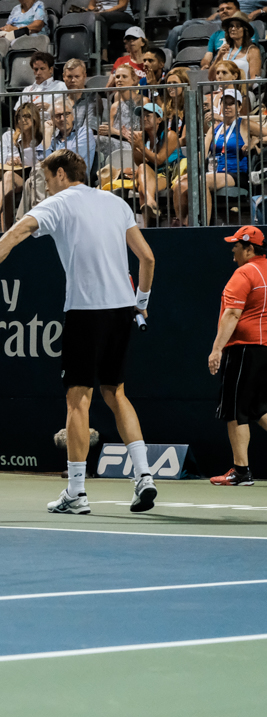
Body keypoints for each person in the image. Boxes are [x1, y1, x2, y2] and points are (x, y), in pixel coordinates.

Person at [0, 148, 157, 515]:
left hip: (85, 311)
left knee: (78, 400)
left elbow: (17, 232)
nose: (45, 185)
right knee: (116, 393)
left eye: (46, 178)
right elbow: (147, 258)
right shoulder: (116, 204)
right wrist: (142, 301)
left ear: (60, 174)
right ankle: (144, 476)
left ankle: (76, 492)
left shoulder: (58, 203)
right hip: (120, 309)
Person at [208, 225, 267, 486]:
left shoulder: (244, 273)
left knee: (235, 411)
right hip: (264, 350)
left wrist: (217, 349)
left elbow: (231, 314)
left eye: (236, 245)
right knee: (259, 409)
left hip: (244, 348)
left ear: (249, 248)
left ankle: (241, 472)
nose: (232, 249)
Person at [175, 88, 251, 226]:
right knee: (180, 185)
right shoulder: (214, 129)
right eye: (225, 103)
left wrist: (255, 142)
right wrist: (189, 173)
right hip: (214, 171)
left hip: (236, 173)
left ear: (239, 106)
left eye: (232, 103)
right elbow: (203, 153)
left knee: (204, 181)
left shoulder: (244, 124)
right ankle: (182, 224)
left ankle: (205, 226)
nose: (227, 107)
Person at [0, 103, 47, 231]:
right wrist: (9, 160)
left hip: (37, 177)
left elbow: (47, 160)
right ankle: (3, 226)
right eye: (19, 117)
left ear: (34, 118)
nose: (22, 120)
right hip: (18, 176)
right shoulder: (9, 136)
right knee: (6, 178)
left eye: (27, 116)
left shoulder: (42, 137)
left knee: (3, 183)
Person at [127, 103, 181, 227]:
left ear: (159, 119)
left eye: (148, 116)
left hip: (171, 174)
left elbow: (160, 160)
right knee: (142, 168)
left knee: (142, 189)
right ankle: (151, 203)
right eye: (142, 116)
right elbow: (140, 162)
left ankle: (147, 226)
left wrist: (140, 146)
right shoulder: (143, 138)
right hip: (153, 174)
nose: (144, 119)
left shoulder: (170, 135)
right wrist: (134, 145)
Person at [166, 0, 254, 55]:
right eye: (221, 10)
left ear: (238, 10)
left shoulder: (244, 24)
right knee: (177, 28)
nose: (224, 11)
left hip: (218, 28)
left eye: (229, 8)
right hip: (215, 24)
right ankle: (170, 58)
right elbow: (209, 20)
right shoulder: (217, 18)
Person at [97, 64, 144, 155]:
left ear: (133, 80)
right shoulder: (114, 106)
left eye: (124, 76)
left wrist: (115, 132)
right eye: (117, 77)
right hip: (115, 144)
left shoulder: (143, 101)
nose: (119, 80)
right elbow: (110, 132)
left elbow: (144, 133)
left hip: (134, 146)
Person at [48, 98, 96, 175]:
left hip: (75, 180)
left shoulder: (84, 132)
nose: (62, 119)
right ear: (52, 119)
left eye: (66, 114)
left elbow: (70, 159)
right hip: (53, 178)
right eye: (58, 115)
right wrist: (47, 133)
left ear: (72, 116)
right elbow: (42, 159)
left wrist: (50, 160)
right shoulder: (52, 138)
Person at [207, 12, 261, 80]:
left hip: (241, 89)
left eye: (238, 26)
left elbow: (254, 79)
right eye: (231, 26)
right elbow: (211, 78)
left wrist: (236, 88)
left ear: (245, 30)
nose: (233, 29)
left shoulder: (252, 50)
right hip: (222, 90)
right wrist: (218, 57)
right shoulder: (224, 50)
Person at [16, 51, 68, 119]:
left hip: (52, 123)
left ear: (51, 69)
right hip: (30, 124)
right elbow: (17, 111)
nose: (38, 72)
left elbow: (68, 110)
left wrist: (50, 107)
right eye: (36, 69)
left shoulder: (61, 86)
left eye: (42, 69)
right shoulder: (27, 90)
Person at [62, 59, 101, 137]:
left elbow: (89, 131)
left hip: (82, 143)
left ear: (84, 76)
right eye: (69, 76)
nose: (73, 80)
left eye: (77, 76)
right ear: (63, 77)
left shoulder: (94, 98)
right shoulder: (59, 101)